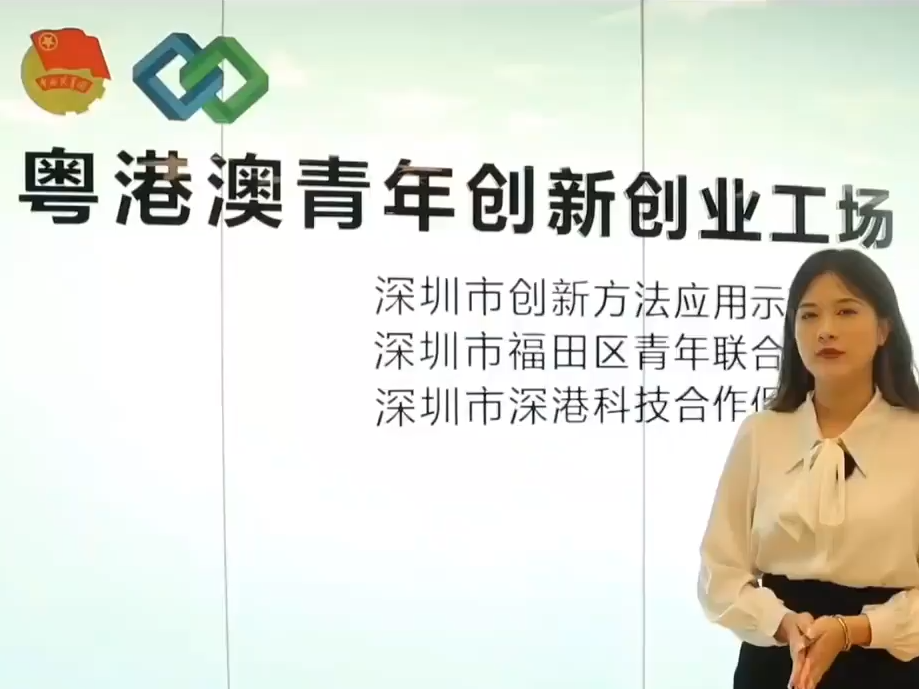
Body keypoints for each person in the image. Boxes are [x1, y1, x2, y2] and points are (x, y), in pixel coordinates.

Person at [698, 248, 919, 689]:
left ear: (884, 329)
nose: (826, 330)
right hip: (777, 661)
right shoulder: (762, 433)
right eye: (809, 315)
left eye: (846, 311)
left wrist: (854, 630)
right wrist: (782, 624)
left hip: (888, 662)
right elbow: (719, 573)